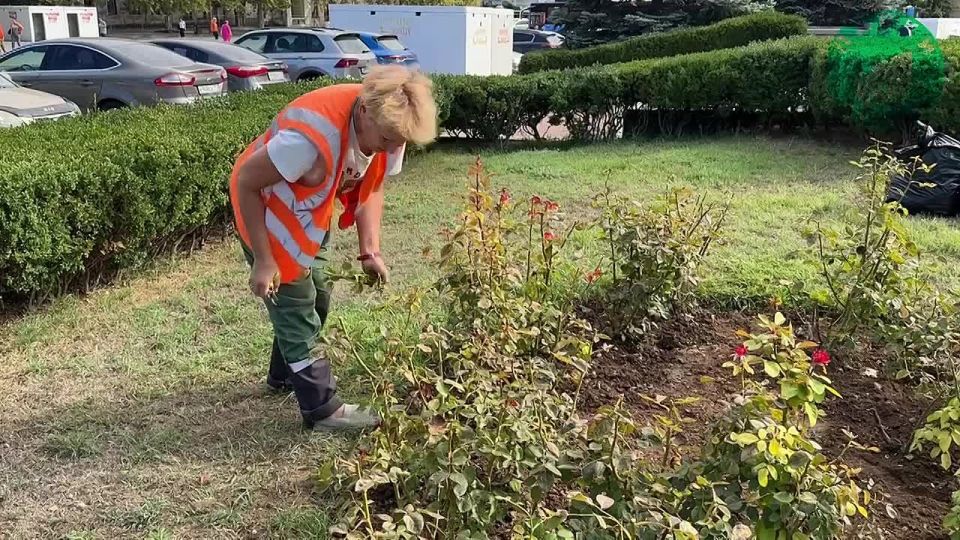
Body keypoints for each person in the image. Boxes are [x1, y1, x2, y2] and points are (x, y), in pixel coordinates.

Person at [229, 66, 437, 430]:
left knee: (319, 293)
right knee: (296, 306)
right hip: (266, 214)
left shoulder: (391, 126)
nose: (392, 148)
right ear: (363, 113)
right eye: (388, 139)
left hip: (309, 214)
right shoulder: (308, 140)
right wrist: (263, 260)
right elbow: (247, 180)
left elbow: (371, 186)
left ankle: (284, 375)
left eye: (400, 142)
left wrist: (369, 250)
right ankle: (322, 410)